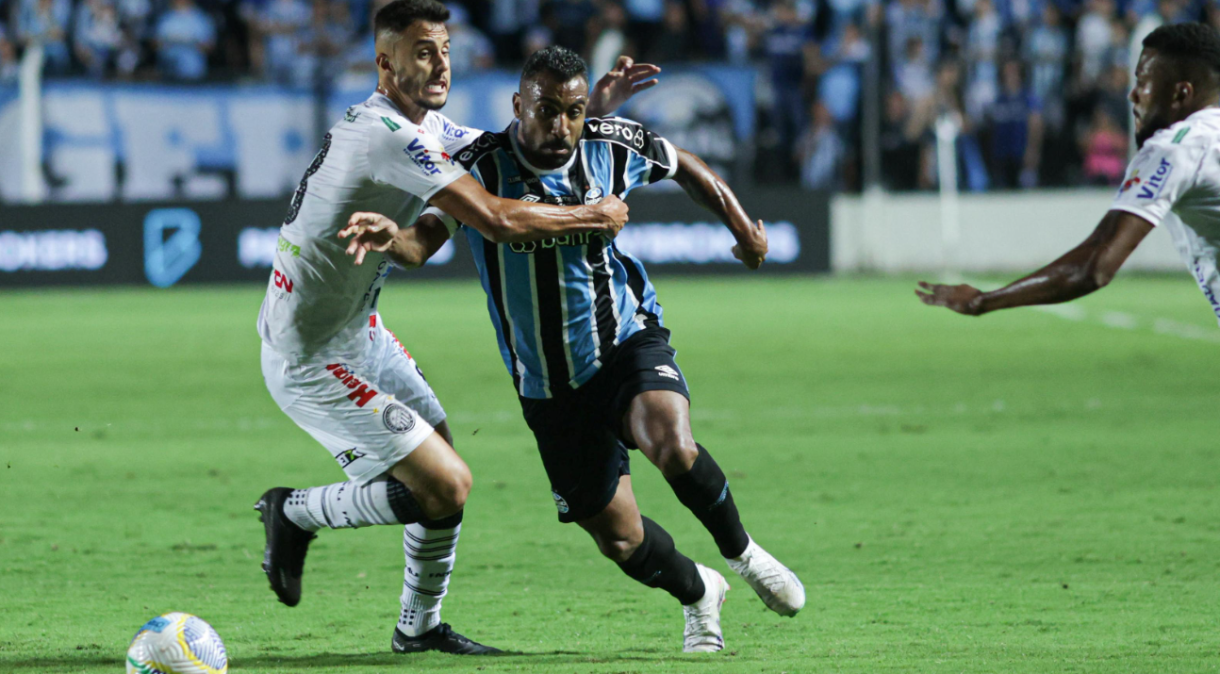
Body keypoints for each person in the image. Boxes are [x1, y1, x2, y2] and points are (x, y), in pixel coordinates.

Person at [339, 45, 805, 654]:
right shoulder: (477, 167)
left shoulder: (610, 144)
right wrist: (391, 237)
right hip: (547, 386)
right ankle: (700, 593)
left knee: (669, 439)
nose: (560, 127)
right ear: (517, 106)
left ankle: (743, 554)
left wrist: (743, 228)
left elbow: (684, 164)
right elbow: (423, 241)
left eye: (574, 111)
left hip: (623, 340)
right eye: (547, 111)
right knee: (619, 538)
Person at [253, 0, 659, 656]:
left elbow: (510, 145)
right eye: (421, 51)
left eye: (443, 47)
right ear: (385, 64)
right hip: (308, 354)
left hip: (358, 332)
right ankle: (292, 512)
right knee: (444, 485)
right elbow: (496, 216)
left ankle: (418, 629)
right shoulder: (389, 133)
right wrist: (591, 214)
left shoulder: (429, 127)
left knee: (441, 469)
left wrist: (595, 111)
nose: (440, 61)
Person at [916, 23, 1220, 329]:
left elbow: (1095, 266)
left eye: (1143, 82)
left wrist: (984, 300)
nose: (1132, 95)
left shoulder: (1176, 147)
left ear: (1181, 93)